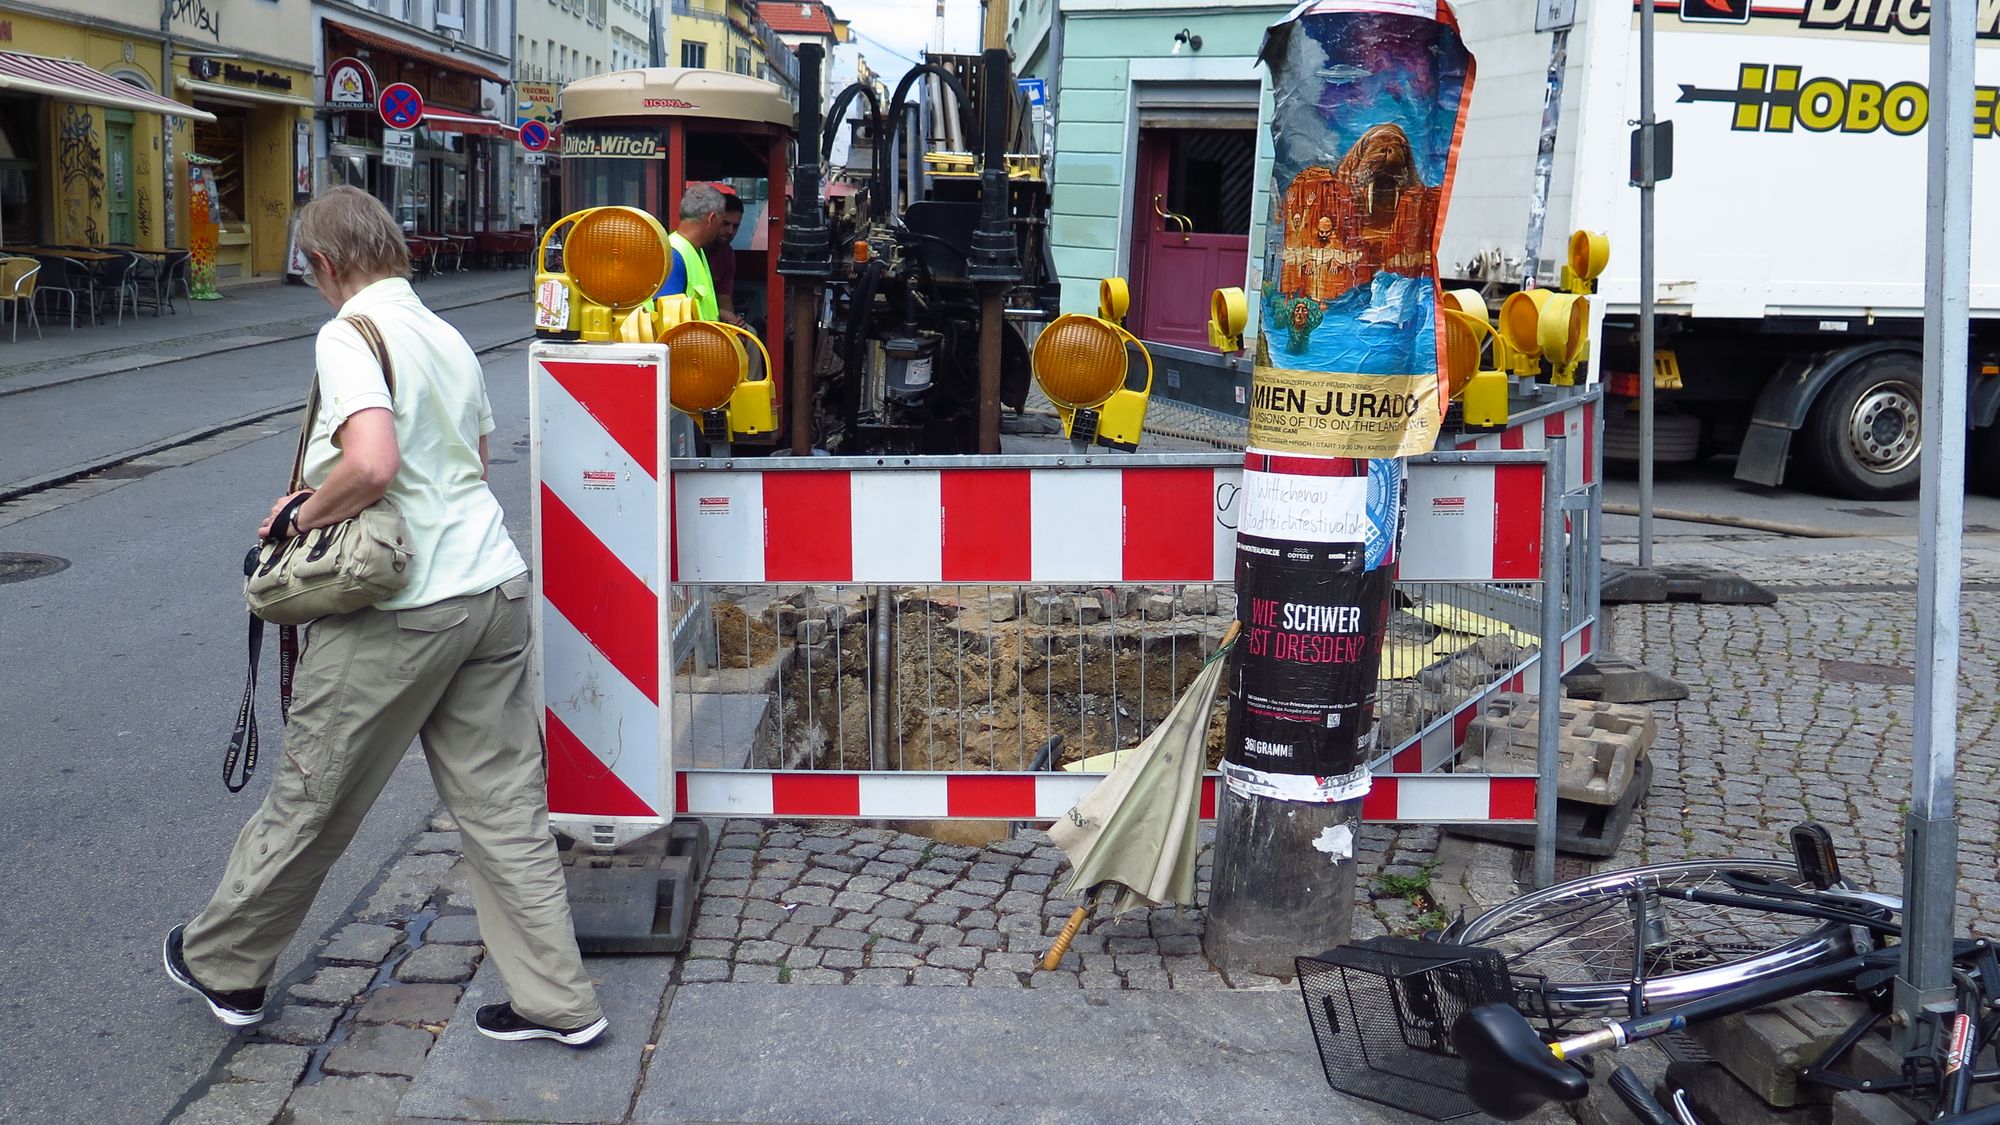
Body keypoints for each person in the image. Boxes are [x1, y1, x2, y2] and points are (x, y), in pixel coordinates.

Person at [164, 186, 606, 1048]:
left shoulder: (349, 332)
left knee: (315, 794)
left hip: (403, 605)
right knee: (504, 807)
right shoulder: (446, 336)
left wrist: (300, 514)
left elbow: (371, 463)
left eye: (310, 272)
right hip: (492, 592)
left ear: (325, 265)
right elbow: (470, 460)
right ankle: (560, 1000)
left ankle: (227, 965)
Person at [657, 182, 725, 322]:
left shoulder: (693, 250)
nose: (722, 229)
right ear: (711, 218)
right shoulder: (673, 256)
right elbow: (668, 322)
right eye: (722, 222)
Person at [709, 188, 749, 329]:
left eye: (736, 226)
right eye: (725, 224)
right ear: (712, 219)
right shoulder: (690, 249)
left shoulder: (727, 255)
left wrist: (735, 327)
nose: (730, 231)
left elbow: (725, 300)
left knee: (749, 334)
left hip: (716, 320)